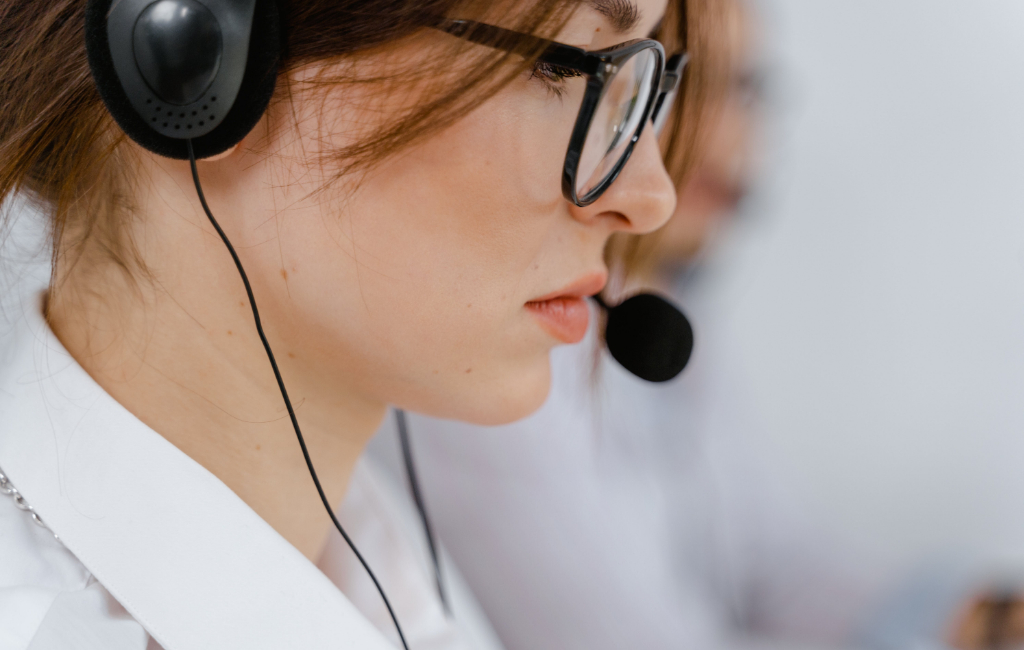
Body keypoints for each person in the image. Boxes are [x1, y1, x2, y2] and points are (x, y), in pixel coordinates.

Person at [0, 0, 702, 648]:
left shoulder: (391, 580)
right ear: (193, 56)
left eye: (648, 84)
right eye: (561, 65)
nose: (650, 197)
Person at [368, 2, 1024, 649]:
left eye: (743, 89)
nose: (722, 135)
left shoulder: (666, 313)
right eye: (683, 84)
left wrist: (983, 619)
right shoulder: (500, 341)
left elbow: (778, 565)